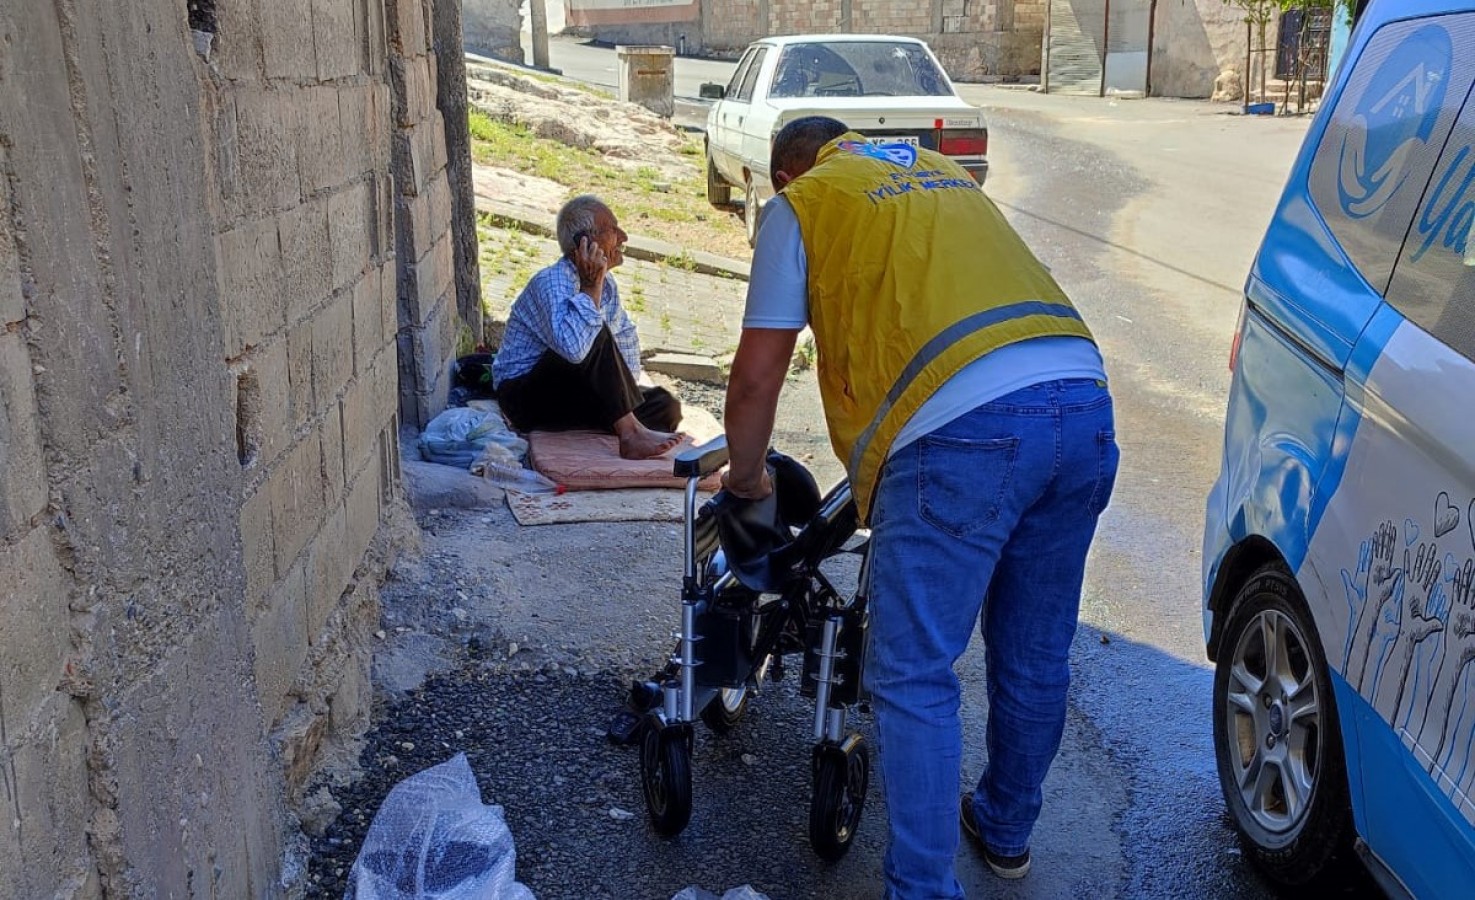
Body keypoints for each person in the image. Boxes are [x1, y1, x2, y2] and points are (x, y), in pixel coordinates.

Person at [722, 116, 1119, 898]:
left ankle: (923, 889)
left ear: (782, 173)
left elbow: (756, 376)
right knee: (1035, 652)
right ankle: (1004, 830)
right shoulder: (936, 174)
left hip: (964, 428)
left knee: (911, 673)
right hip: (1081, 399)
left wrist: (745, 479)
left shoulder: (802, 203)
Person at [491, 195, 683, 459]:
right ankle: (630, 434)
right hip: (524, 397)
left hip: (569, 394)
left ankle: (618, 424)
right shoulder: (550, 282)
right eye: (612, 230)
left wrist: (620, 395)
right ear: (584, 242)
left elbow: (625, 345)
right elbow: (575, 350)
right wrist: (590, 288)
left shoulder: (608, 285)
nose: (623, 237)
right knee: (592, 332)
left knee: (665, 406)